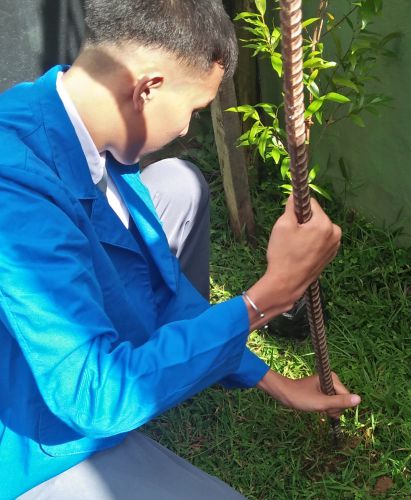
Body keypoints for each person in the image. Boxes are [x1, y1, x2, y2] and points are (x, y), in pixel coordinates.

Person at [0, 1, 361, 498]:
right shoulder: (15, 189)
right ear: (147, 88)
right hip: (29, 437)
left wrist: (272, 380)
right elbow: (93, 397)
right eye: (193, 109)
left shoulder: (79, 124)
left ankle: (162, 364)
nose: (188, 129)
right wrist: (267, 298)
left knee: (177, 183)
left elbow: (158, 288)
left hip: (66, 366)